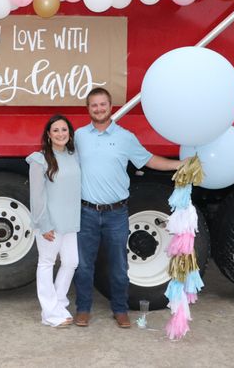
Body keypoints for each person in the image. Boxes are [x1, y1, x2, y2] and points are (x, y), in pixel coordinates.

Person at [73, 87, 183, 328]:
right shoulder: (79, 136)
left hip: (116, 214)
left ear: (110, 106)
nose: (99, 109)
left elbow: (150, 160)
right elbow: (59, 158)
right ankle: (83, 309)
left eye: (103, 104)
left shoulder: (126, 137)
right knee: (83, 265)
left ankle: (120, 310)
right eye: (94, 105)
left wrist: (179, 164)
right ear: (88, 109)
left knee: (119, 266)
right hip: (87, 212)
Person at [26, 114, 81, 327]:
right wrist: (44, 224)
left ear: (69, 133)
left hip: (70, 222)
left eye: (64, 130)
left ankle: (58, 303)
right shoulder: (39, 159)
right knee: (47, 263)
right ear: (48, 134)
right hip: (49, 223)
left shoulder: (72, 156)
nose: (60, 134)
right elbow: (37, 196)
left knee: (71, 262)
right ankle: (49, 313)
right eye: (56, 130)